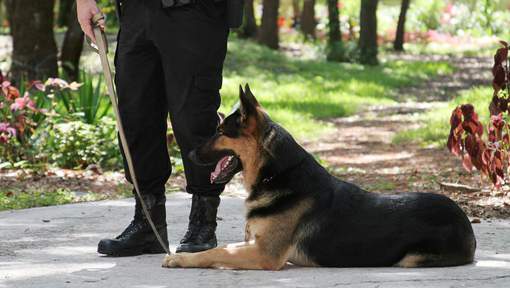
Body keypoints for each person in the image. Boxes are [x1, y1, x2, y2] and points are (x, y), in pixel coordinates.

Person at [76, 0, 231, 256]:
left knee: (193, 117)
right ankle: (148, 224)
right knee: (136, 117)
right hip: (136, 11)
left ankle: (203, 223)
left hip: (194, 10)